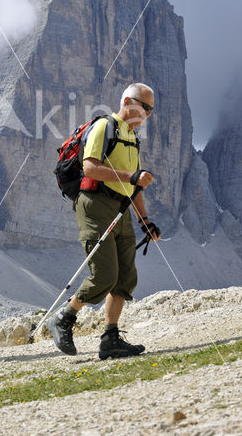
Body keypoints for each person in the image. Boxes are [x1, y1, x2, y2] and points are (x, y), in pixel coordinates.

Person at [47, 83, 160, 359]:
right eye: (143, 106)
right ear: (126, 101)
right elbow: (90, 167)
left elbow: (135, 187)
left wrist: (144, 220)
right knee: (105, 275)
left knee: (125, 277)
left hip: (121, 208)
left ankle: (110, 338)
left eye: (150, 110)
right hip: (95, 204)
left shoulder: (132, 138)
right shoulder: (105, 127)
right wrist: (131, 177)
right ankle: (64, 318)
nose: (146, 113)